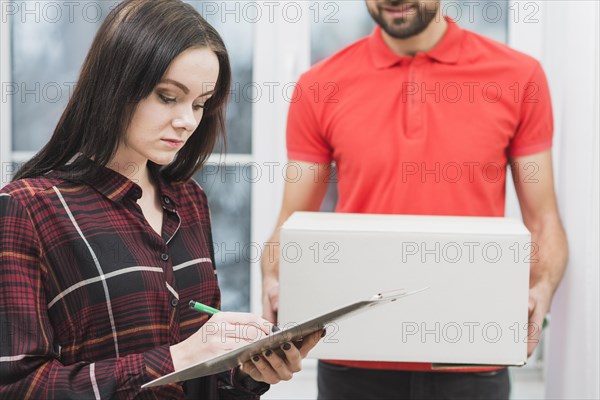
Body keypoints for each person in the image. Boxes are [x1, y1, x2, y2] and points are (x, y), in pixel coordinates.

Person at [0, 1, 322, 399]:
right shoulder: (28, 209)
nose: (187, 119)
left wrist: (247, 371)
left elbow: (204, 380)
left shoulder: (189, 201)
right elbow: (17, 387)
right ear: (115, 85)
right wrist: (177, 358)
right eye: (168, 97)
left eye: (200, 104)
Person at [261, 0, 568, 399]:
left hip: (472, 361)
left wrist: (540, 291)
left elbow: (543, 220)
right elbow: (292, 219)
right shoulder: (320, 84)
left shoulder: (518, 76)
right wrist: (273, 277)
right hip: (353, 360)